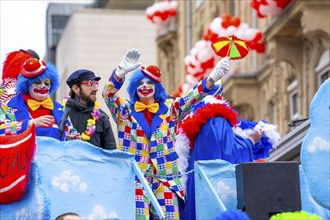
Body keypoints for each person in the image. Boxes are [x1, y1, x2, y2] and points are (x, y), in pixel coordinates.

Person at [102, 48, 230, 219]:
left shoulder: (170, 110)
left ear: (156, 87)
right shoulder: (124, 111)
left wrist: (213, 77)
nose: (145, 86)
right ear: (134, 88)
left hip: (166, 179)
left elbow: (192, 97)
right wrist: (119, 73)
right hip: (135, 179)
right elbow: (108, 95)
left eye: (149, 83)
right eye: (140, 83)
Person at [176, 95, 280, 220]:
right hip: (216, 195)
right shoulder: (216, 120)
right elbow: (229, 155)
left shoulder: (201, 123)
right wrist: (250, 141)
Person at [2, 57, 75, 139]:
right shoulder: (9, 106)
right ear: (26, 84)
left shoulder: (60, 109)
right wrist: (29, 124)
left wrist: (74, 138)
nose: (43, 86)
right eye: (37, 82)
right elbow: (2, 130)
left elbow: (70, 133)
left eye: (47, 82)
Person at [65, 69, 116, 150]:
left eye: (96, 84)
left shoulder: (101, 117)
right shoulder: (61, 114)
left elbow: (111, 153)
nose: (95, 89)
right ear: (76, 89)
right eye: (90, 84)